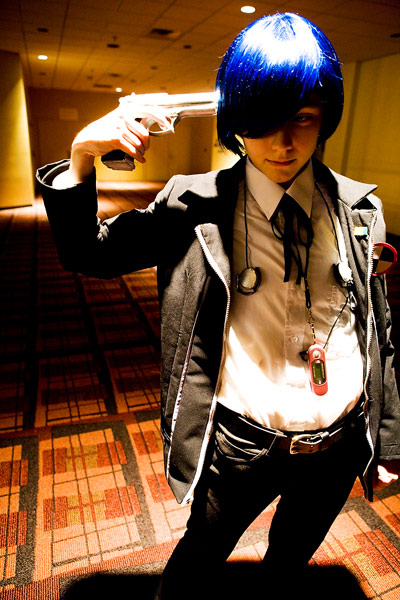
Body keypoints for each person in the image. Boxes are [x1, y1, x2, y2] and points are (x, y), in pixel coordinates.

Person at [37, 12, 400, 599]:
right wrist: (81, 155)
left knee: (290, 560)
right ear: (236, 121)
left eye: (302, 119)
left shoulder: (360, 211)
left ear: (325, 117)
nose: (283, 143)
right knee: (199, 558)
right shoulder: (192, 205)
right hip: (242, 445)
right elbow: (88, 253)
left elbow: (377, 329)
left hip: (339, 445)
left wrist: (388, 435)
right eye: (263, 120)